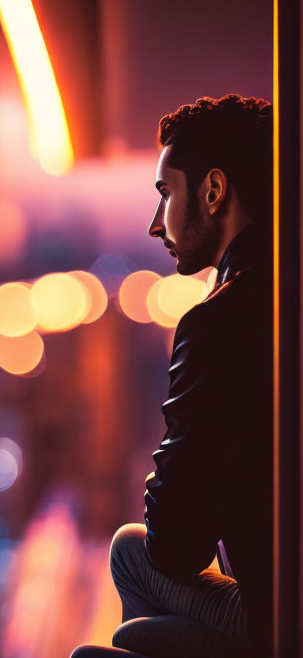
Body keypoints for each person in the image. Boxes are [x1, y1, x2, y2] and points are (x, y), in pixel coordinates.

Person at [71, 95, 273, 658]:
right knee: (129, 591)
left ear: (213, 191)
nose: (155, 222)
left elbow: (176, 546)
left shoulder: (220, 320)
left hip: (279, 613)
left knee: (102, 647)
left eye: (165, 194)